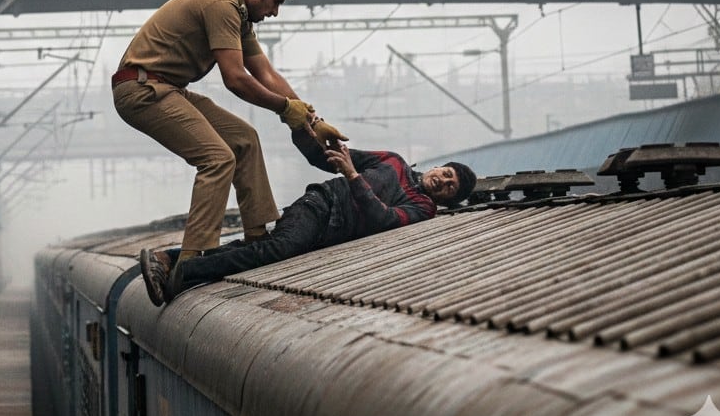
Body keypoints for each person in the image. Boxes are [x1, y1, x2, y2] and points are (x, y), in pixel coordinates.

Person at [112, 0, 318, 260]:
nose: (274, 13)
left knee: (244, 139)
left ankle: (257, 236)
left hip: (167, 89)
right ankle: (192, 258)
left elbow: (266, 74)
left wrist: (309, 119)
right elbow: (235, 78)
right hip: (142, 90)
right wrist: (286, 109)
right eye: (276, 2)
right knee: (217, 159)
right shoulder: (221, 4)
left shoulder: (240, 15)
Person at [140, 125, 477, 307]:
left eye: (450, 186)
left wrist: (354, 177)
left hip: (329, 233)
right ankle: (184, 272)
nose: (444, 181)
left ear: (447, 199)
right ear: (438, 166)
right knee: (276, 250)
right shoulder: (393, 160)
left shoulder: (423, 209)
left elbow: (384, 219)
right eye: (446, 173)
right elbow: (328, 157)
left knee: (265, 249)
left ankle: (169, 259)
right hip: (320, 206)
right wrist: (302, 126)